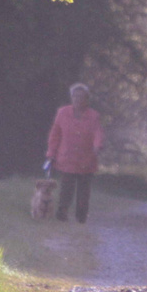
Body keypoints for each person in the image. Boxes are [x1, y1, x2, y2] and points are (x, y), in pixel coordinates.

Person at [44, 83, 104, 223]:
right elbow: (55, 134)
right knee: (66, 189)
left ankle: (81, 217)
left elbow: (98, 133)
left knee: (84, 192)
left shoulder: (94, 116)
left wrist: (97, 145)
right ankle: (62, 214)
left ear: (87, 100)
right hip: (67, 159)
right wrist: (51, 153)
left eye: (81, 97)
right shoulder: (62, 112)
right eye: (75, 96)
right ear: (71, 98)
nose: (77, 99)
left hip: (86, 159)